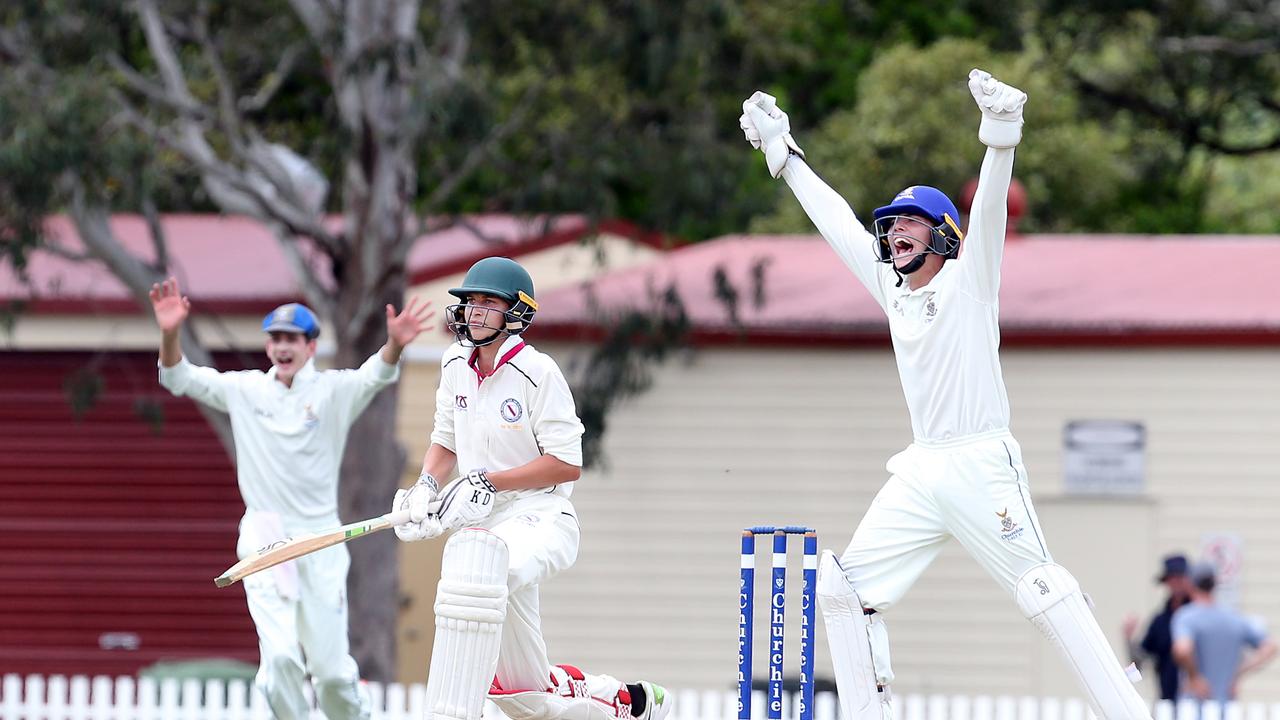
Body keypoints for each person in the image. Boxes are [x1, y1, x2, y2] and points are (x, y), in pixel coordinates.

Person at [738, 70, 1152, 719]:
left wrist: (999, 137)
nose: (895, 232)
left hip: (982, 462)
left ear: (942, 236)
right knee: (842, 589)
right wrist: (783, 156)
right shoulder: (893, 292)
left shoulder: (970, 282)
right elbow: (838, 223)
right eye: (891, 224)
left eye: (910, 223)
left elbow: (990, 217)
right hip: (922, 467)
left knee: (1041, 587)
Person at [392, 257, 671, 720]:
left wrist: (489, 480)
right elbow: (445, 437)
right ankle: (624, 700)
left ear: (516, 313)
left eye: (487, 303)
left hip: (540, 518)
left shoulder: (537, 373)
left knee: (476, 568)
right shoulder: (454, 363)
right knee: (525, 701)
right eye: (470, 303)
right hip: (484, 520)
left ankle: (454, 710)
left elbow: (567, 464)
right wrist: (425, 486)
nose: (474, 312)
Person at [150, 277, 433, 720]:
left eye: (292, 339)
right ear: (268, 346)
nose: (282, 347)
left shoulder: (332, 391)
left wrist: (395, 344)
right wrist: (170, 332)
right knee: (280, 660)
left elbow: (374, 375)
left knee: (333, 675)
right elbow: (177, 377)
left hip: (322, 538)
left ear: (311, 346)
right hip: (265, 538)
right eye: (275, 338)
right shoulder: (245, 390)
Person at [1172, 563, 1277, 706]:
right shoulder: (1234, 618)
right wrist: (1237, 673)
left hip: (1194, 706)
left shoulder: (1186, 617)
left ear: (1191, 584)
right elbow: (1270, 647)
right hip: (1225, 707)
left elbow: (1183, 650)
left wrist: (1195, 677)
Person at [1123, 553, 1193, 702]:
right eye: (1172, 579)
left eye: (1180, 577)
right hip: (1167, 701)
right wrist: (1129, 638)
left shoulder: (1201, 617)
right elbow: (1139, 662)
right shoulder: (1160, 621)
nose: (1176, 583)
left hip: (1200, 702)